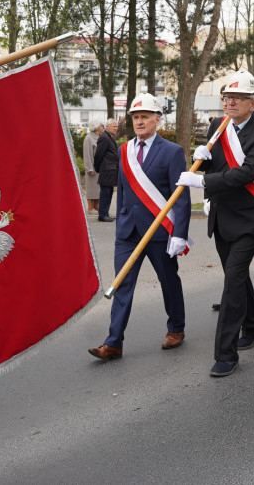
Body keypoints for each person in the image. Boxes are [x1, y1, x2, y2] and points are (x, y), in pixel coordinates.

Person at [179, 71, 254, 378]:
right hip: (223, 217)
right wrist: (203, 159)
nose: (230, 103)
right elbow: (217, 163)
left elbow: (248, 172)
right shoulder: (217, 126)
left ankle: (226, 354)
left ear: (252, 102)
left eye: (237, 98)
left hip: (250, 217)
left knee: (232, 280)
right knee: (237, 276)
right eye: (226, 98)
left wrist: (203, 179)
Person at [88, 94, 191, 360]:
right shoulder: (124, 151)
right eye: (136, 117)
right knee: (123, 285)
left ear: (157, 120)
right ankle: (113, 342)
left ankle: (176, 328)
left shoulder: (172, 151)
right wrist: (120, 219)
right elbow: (122, 191)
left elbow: (180, 197)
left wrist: (179, 234)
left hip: (159, 232)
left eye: (145, 116)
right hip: (128, 232)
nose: (140, 121)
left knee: (168, 282)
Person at [94, 118, 120, 221]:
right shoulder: (104, 137)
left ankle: (105, 213)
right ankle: (103, 215)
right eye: (114, 126)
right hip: (106, 171)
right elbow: (98, 154)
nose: (116, 128)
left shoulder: (109, 137)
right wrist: (97, 168)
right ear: (107, 127)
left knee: (109, 193)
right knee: (105, 194)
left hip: (110, 171)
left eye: (116, 126)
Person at [83, 120, 103, 213]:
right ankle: (90, 206)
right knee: (91, 188)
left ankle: (96, 205)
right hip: (92, 167)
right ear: (96, 127)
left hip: (98, 167)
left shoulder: (99, 137)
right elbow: (87, 154)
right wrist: (89, 168)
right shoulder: (89, 138)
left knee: (97, 188)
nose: (103, 127)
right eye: (101, 126)